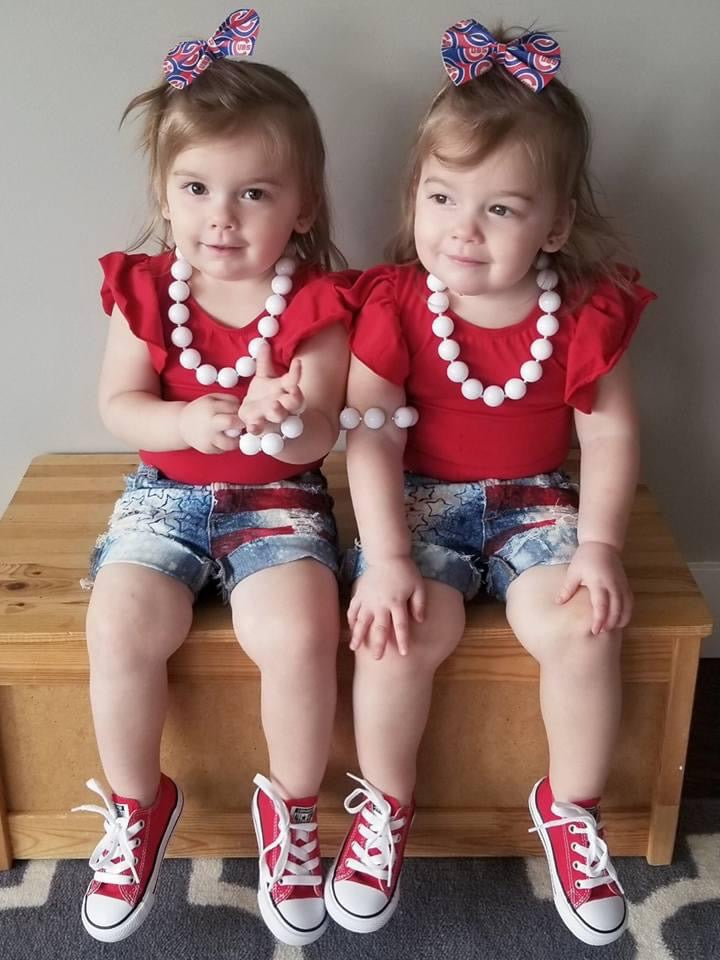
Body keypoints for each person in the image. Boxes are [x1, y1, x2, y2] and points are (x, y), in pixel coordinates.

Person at [325, 20, 655, 946]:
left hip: (538, 504)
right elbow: (369, 440)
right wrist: (386, 558)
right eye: (442, 197)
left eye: (501, 210)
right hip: (420, 507)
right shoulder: (394, 304)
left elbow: (614, 431)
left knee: (584, 626)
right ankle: (385, 807)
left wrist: (598, 546)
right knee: (394, 634)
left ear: (553, 225)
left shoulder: (586, 310)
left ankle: (571, 809)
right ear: (415, 199)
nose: (462, 231)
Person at [73, 9, 354, 946]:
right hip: (165, 492)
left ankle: (296, 815)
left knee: (302, 627)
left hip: (277, 500)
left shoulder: (316, 303)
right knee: (120, 620)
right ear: (164, 191)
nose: (220, 217)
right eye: (196, 188)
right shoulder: (147, 290)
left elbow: (320, 434)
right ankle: (135, 805)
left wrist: (286, 424)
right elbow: (117, 403)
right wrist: (183, 419)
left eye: (254, 193)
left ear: (302, 207)